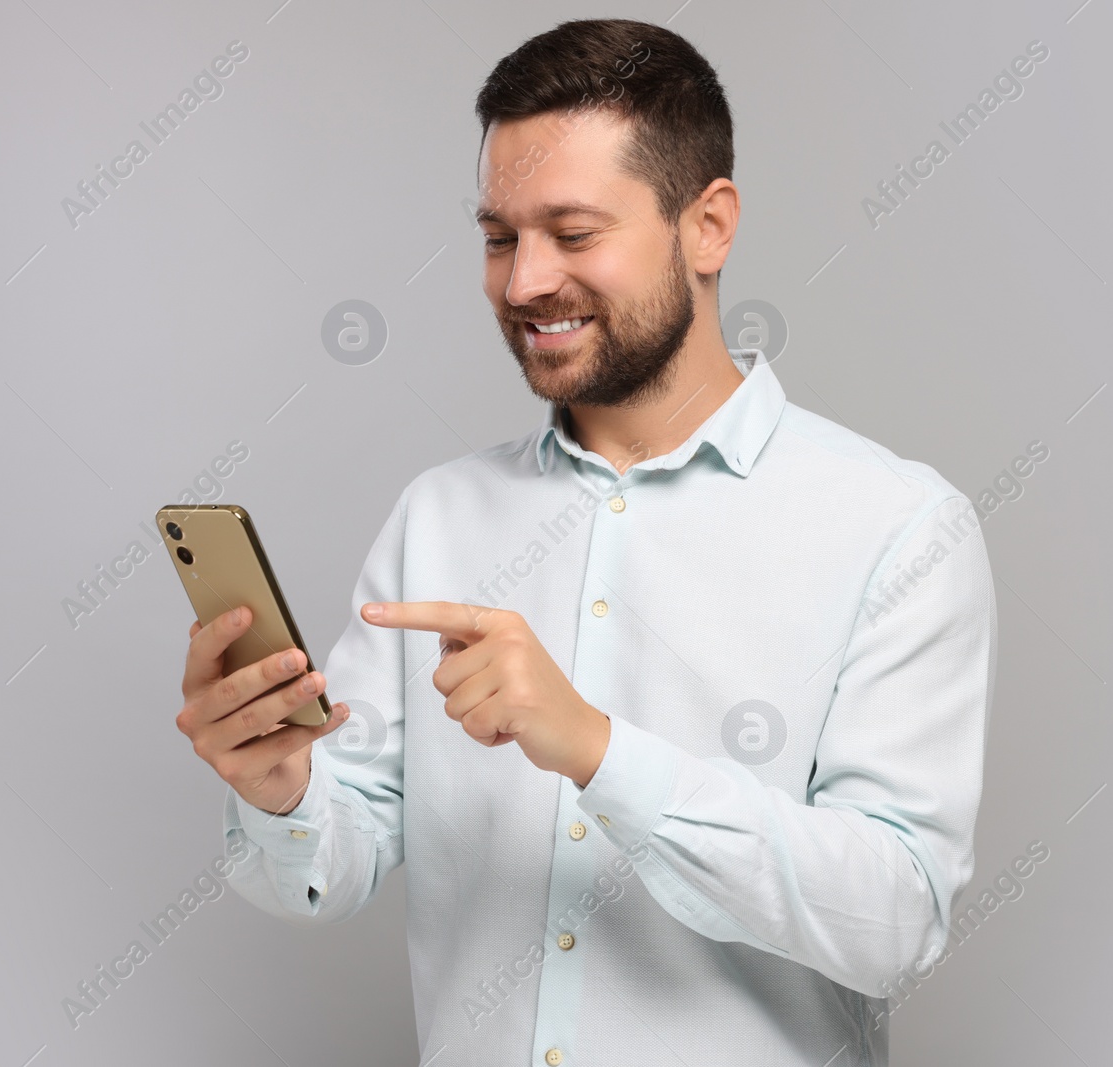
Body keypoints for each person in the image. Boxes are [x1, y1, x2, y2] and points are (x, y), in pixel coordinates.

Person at [174, 17, 996, 1066]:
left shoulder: (896, 530)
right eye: (498, 236)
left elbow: (891, 921)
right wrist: (278, 783)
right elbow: (329, 862)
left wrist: (601, 751)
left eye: (571, 232)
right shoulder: (440, 514)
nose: (522, 283)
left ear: (707, 226)